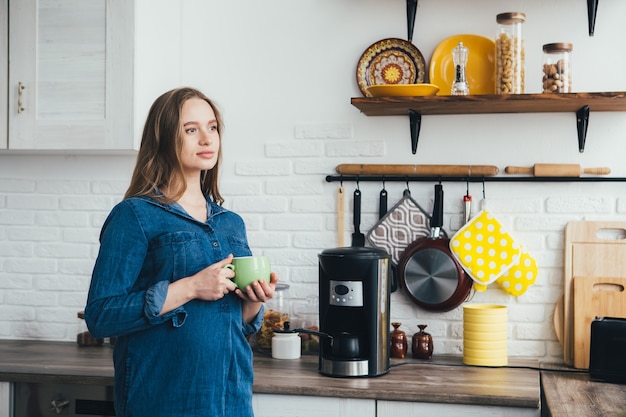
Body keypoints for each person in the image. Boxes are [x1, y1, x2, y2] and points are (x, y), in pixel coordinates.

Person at [84, 87, 277, 417]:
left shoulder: (231, 223)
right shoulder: (134, 215)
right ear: (163, 139)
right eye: (191, 129)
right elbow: (101, 317)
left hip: (230, 398)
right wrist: (191, 287)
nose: (206, 139)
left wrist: (254, 299)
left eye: (212, 127)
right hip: (163, 400)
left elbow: (239, 323)